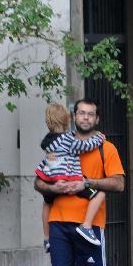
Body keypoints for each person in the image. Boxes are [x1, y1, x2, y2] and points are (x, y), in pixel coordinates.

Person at [34, 99, 125, 266]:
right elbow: (38, 182)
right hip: (59, 221)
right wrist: (52, 187)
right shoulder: (60, 144)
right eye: (81, 113)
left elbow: (119, 184)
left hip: (90, 224)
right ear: (74, 117)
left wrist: (86, 183)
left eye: (90, 114)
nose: (85, 117)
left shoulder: (106, 148)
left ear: (97, 118)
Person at [35, 103, 107, 249]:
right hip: (70, 180)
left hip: (53, 180)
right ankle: (86, 226)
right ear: (66, 120)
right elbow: (85, 146)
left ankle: (47, 238)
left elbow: (47, 162)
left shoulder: (48, 142)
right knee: (99, 193)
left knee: (47, 203)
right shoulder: (66, 139)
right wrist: (99, 138)